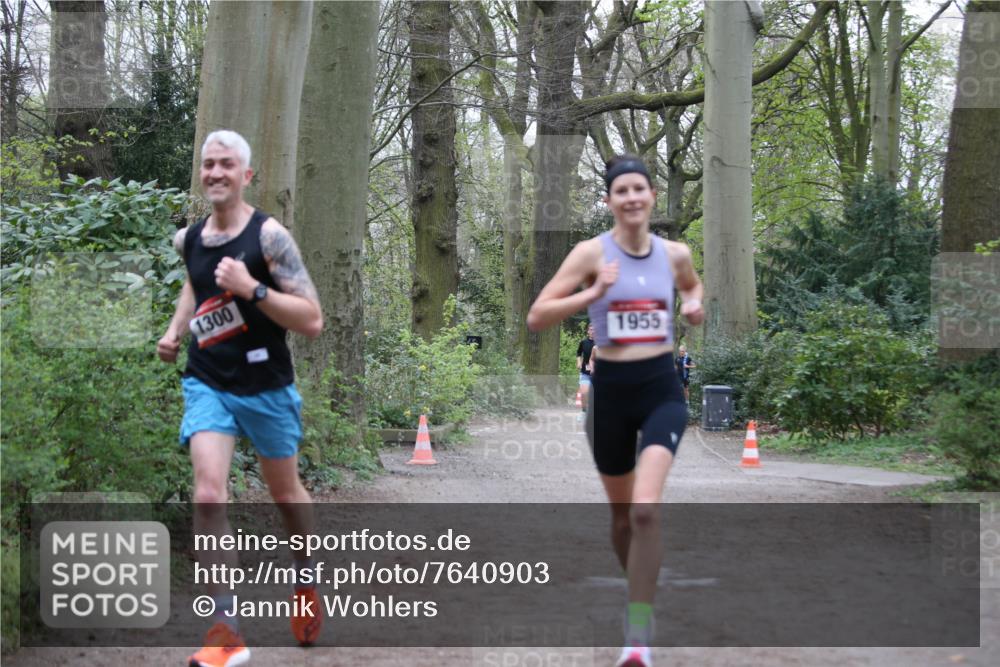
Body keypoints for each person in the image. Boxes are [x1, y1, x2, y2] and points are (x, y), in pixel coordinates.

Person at [526, 154, 704, 667]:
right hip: (608, 394)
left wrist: (694, 305)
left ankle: (638, 631)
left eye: (638, 189)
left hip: (661, 388)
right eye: (620, 191)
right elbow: (538, 316)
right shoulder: (589, 255)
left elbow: (693, 288)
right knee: (624, 518)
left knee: (647, 509)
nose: (630, 198)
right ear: (609, 201)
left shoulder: (675, 254)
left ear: (651, 197)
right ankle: (640, 589)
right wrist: (594, 293)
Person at [157, 130, 324, 667]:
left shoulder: (269, 237)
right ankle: (224, 627)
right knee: (208, 495)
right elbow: (195, 282)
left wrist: (252, 288)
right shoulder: (189, 240)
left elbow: (312, 320)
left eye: (227, 164)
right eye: (208, 165)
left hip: (267, 384)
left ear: (246, 175)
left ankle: (305, 580)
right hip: (209, 379)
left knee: (286, 496)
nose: (215, 173)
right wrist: (176, 329)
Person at [576, 323, 596, 411]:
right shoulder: (583, 342)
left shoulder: (599, 343)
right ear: (588, 331)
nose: (592, 331)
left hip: (596, 372)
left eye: (594, 330)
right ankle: (583, 410)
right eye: (591, 329)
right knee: (584, 392)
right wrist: (579, 362)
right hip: (585, 371)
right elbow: (578, 353)